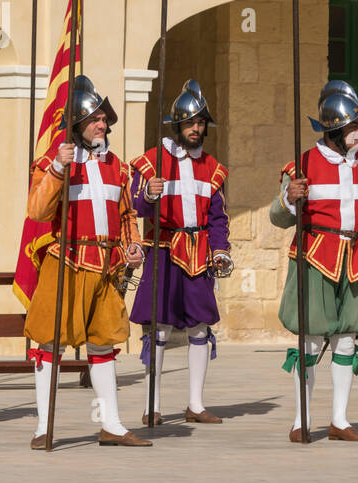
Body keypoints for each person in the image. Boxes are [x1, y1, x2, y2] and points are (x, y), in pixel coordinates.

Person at [23, 75, 150, 449]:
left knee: (105, 342)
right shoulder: (53, 161)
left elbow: (127, 216)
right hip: (66, 261)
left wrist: (134, 245)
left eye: (104, 118)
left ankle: (111, 424)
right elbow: (37, 211)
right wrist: (58, 170)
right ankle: (43, 426)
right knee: (49, 341)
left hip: (107, 266)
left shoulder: (119, 167)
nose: (103, 123)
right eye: (96, 118)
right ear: (77, 124)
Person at [270, 80, 358, 442]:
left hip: (353, 261)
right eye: (355, 125)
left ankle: (339, 420)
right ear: (335, 129)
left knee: (346, 340)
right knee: (309, 342)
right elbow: (278, 219)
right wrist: (289, 199)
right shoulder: (301, 165)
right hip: (314, 258)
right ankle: (300, 420)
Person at [130, 79, 231, 425]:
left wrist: (221, 250)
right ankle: (151, 406)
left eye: (201, 123)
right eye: (190, 123)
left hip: (199, 253)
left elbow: (218, 218)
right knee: (158, 330)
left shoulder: (213, 169)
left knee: (200, 329)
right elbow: (135, 206)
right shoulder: (151, 163)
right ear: (177, 126)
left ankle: (196, 405)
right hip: (162, 249)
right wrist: (150, 195)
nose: (196, 129)